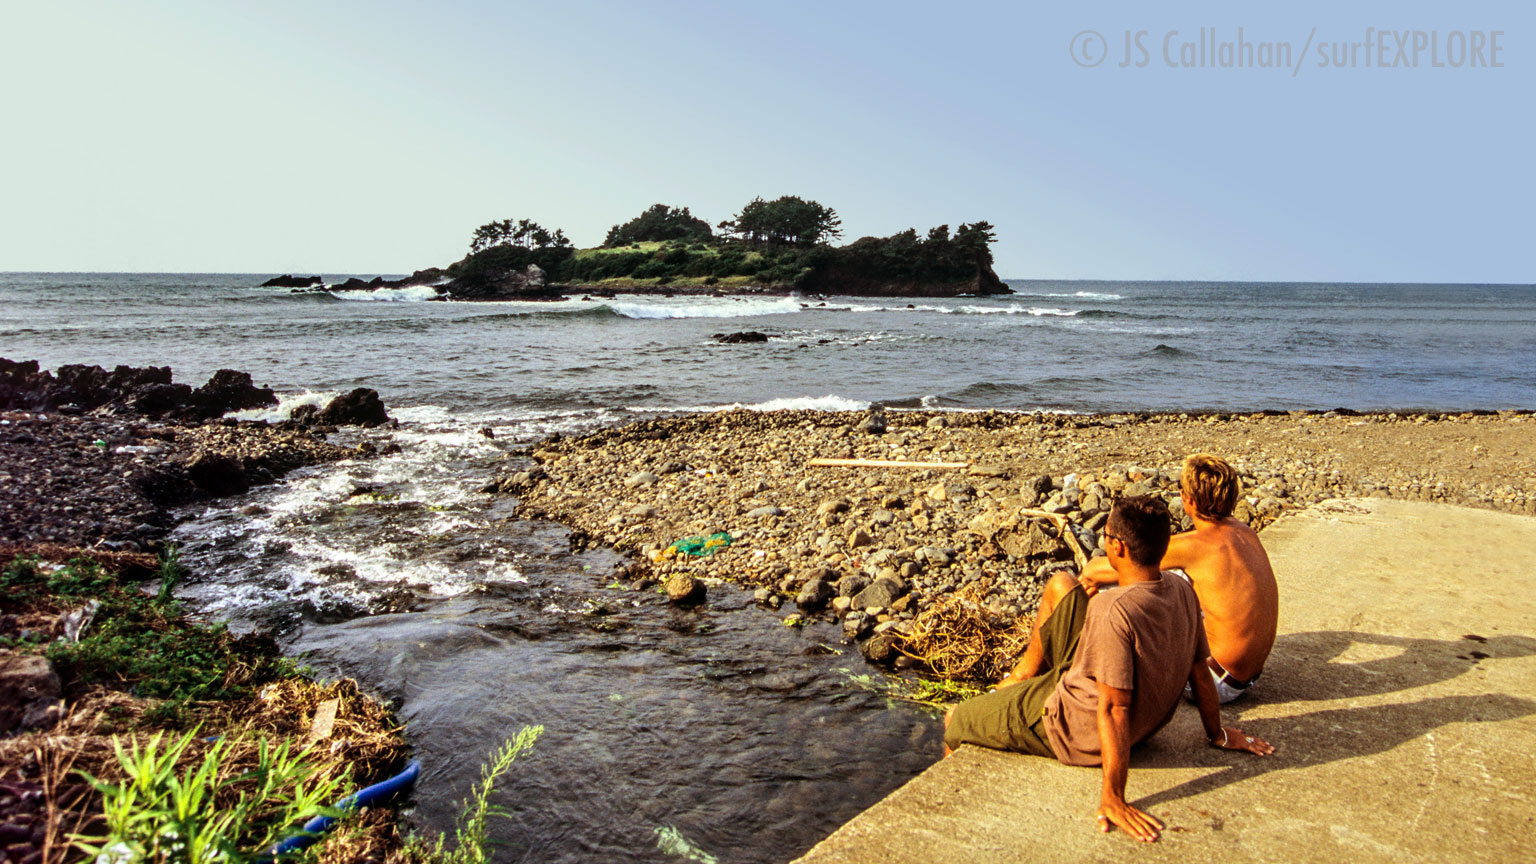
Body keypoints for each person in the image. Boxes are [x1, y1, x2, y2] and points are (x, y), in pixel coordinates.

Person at [942, 496, 1273, 842]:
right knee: (1061, 585)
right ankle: (1023, 676)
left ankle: (950, 824)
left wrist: (1113, 796)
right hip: (1144, 720)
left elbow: (1115, 707)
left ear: (1117, 547)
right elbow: (1200, 672)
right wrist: (1216, 733)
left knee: (956, 720)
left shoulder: (1112, 610)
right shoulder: (1182, 590)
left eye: (1105, 535)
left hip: (1071, 726)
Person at [1078, 454, 1278, 702]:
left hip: (1214, 684)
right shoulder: (1245, 532)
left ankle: (1088, 667)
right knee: (1170, 578)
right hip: (1244, 676)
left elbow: (1094, 571)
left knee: (1113, 587)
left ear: (1189, 500)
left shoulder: (1196, 546)